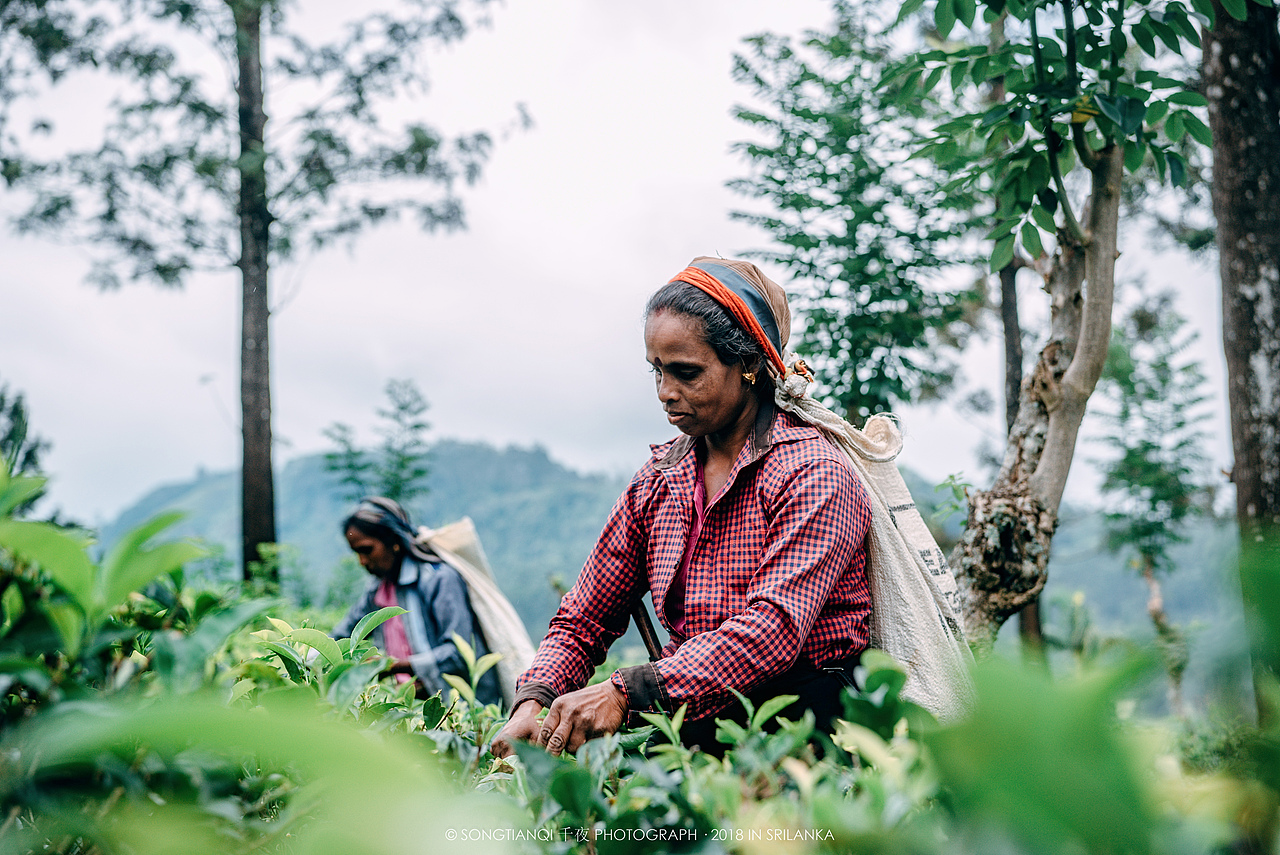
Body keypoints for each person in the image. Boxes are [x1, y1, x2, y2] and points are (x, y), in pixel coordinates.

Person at [492, 257, 872, 758]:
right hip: (693, 729)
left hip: (807, 734)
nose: (666, 394)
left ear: (751, 365)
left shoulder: (814, 474)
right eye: (657, 371)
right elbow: (584, 616)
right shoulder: (659, 482)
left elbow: (771, 632)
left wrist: (625, 691)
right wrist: (534, 701)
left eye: (687, 373)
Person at [332, 496, 503, 707]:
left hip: (465, 710)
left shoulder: (439, 579)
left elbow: (458, 653)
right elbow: (344, 634)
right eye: (356, 552)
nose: (362, 561)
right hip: (414, 706)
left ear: (393, 541)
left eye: (367, 550)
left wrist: (392, 666)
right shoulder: (378, 589)